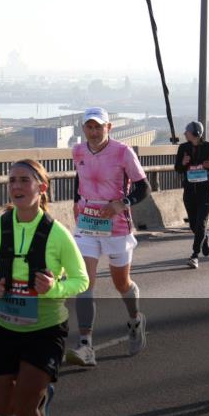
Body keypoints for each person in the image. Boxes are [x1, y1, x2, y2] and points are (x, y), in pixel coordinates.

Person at [0, 159, 89, 416]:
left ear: (42, 187)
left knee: (25, 406)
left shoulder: (57, 233)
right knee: (1, 406)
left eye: (24, 180)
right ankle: (41, 396)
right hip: (5, 328)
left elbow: (81, 279)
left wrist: (55, 288)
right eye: (12, 181)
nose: (16, 187)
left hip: (45, 330)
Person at [65, 107, 151, 367]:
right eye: (89, 127)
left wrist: (121, 204)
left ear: (108, 127)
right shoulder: (78, 151)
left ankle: (135, 319)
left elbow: (143, 187)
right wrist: (76, 204)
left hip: (116, 225)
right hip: (87, 223)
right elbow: (78, 182)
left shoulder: (123, 152)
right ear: (83, 129)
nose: (93, 131)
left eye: (98, 127)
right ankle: (85, 345)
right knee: (84, 282)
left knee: (121, 282)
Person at [174, 121, 209, 268]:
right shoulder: (183, 148)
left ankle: (194, 255)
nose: (184, 134)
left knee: (201, 223)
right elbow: (177, 168)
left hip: (204, 192)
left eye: (187, 131)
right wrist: (183, 163)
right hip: (189, 192)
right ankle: (205, 237)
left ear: (195, 133)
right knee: (194, 224)